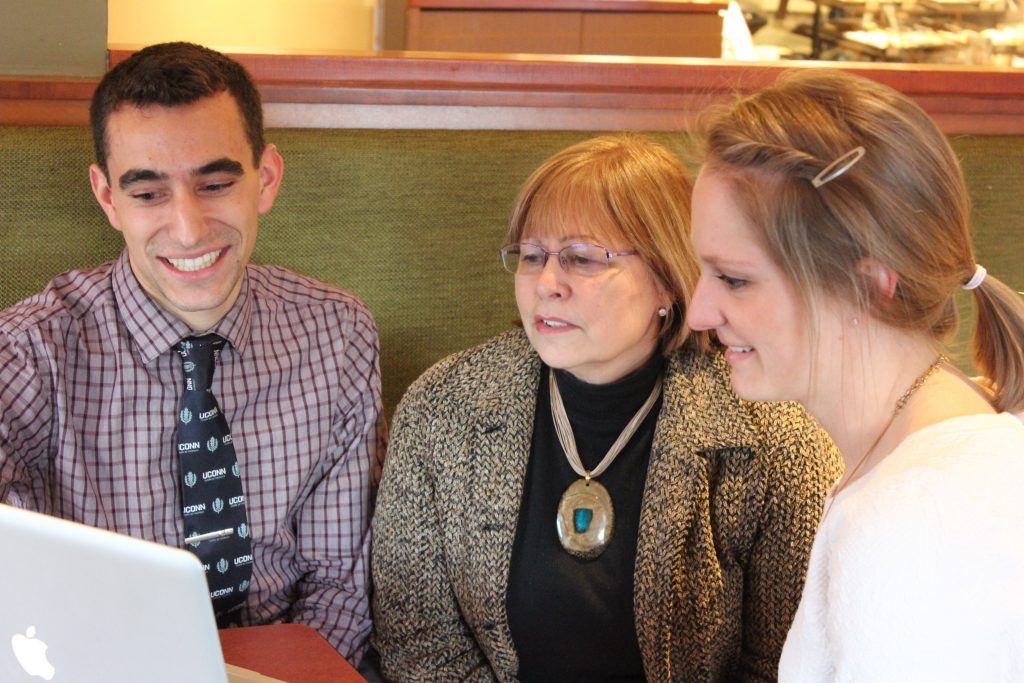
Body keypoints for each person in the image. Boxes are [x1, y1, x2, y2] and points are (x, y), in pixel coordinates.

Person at [371, 135, 841, 682]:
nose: (547, 284)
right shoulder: (443, 408)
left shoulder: (775, 436)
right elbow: (418, 644)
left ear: (668, 278)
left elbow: (786, 663)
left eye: (583, 258)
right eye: (531, 255)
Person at [0, 42, 381, 663]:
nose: (189, 228)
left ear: (266, 179)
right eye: (149, 194)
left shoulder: (337, 333)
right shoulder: (30, 350)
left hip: (284, 662)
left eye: (216, 182)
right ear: (107, 199)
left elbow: (338, 582)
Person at [687, 69, 1024, 681]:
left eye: (734, 279)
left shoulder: (914, 531)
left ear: (868, 285)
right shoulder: (942, 441)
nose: (698, 313)